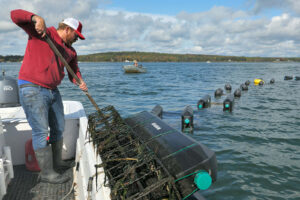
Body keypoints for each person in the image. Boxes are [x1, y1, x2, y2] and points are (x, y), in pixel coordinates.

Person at [11, 9, 88, 184]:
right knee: (41, 131)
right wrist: (36, 18)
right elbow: (15, 15)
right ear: (67, 29)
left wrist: (80, 81)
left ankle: (57, 162)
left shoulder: (71, 52)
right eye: (76, 36)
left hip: (53, 91)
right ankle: (47, 173)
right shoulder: (42, 32)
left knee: (59, 127)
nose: (77, 40)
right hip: (32, 89)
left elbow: (74, 71)